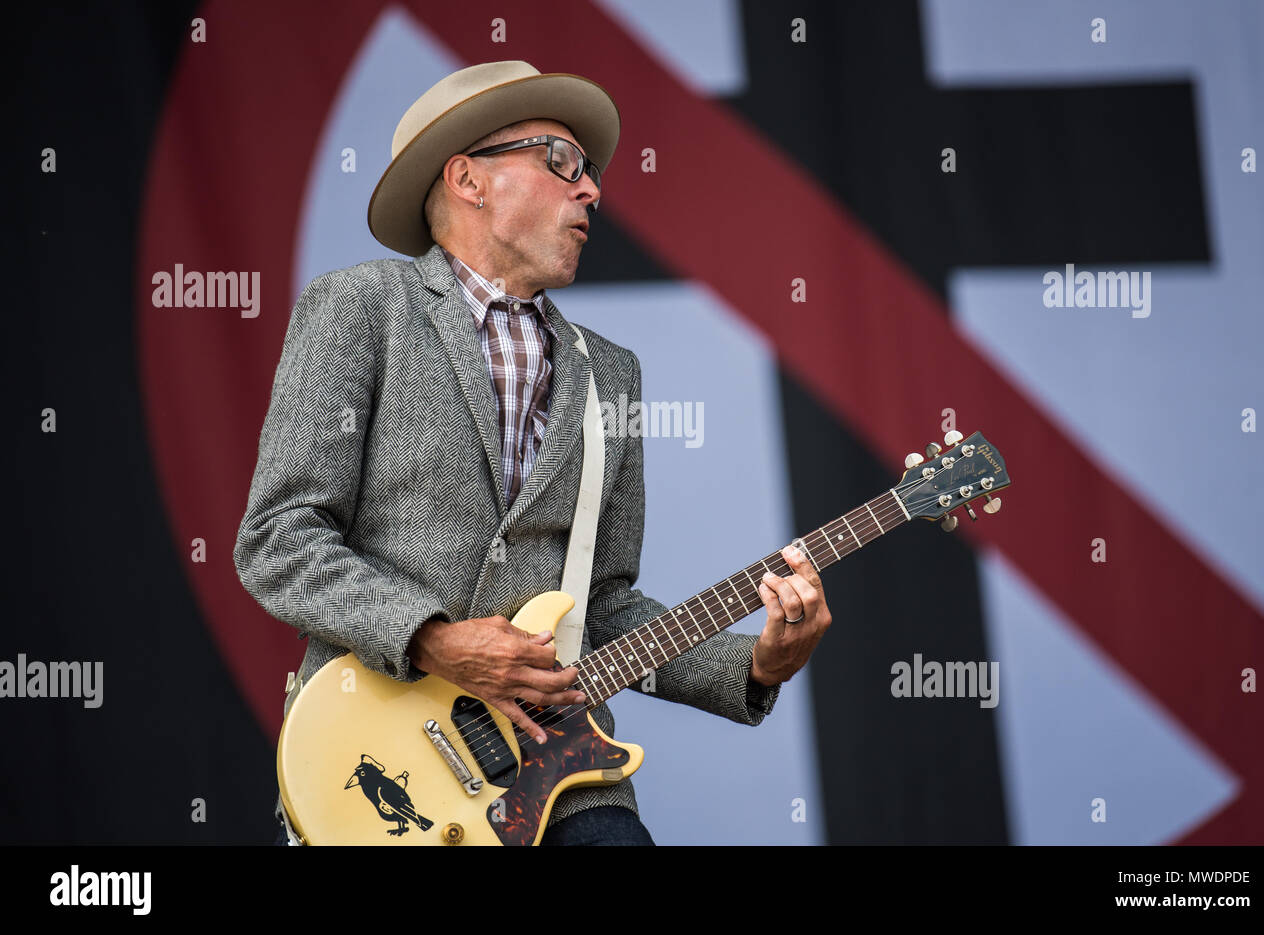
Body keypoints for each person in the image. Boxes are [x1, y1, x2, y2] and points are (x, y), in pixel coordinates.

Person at [234, 60, 833, 846]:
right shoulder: (360, 308)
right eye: (562, 162)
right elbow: (279, 538)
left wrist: (756, 664)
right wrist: (433, 639)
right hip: (381, 755)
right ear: (467, 178)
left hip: (566, 774)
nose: (591, 190)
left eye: (587, 172)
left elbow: (607, 604)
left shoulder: (610, 371)